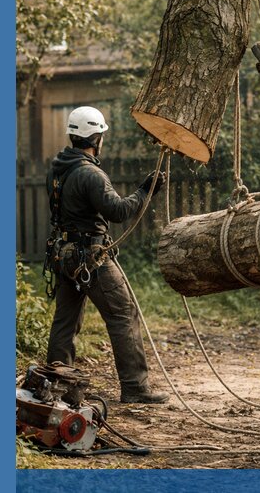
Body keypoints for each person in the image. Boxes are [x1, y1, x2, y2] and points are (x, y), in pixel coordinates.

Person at [45, 105, 168, 403]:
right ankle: (136, 389)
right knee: (124, 314)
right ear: (96, 136)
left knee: (65, 322)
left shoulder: (59, 168)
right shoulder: (91, 174)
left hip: (64, 256)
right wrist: (145, 190)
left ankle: (56, 390)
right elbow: (118, 211)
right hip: (89, 259)